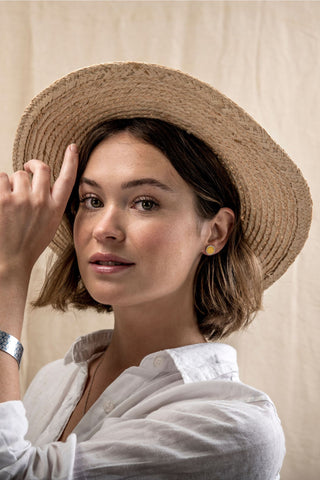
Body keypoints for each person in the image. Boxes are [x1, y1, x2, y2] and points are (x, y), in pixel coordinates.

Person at [0, 62, 312, 479]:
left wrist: (9, 273)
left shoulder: (236, 428)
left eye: (144, 202)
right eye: (92, 200)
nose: (104, 228)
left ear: (215, 231)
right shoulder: (54, 378)